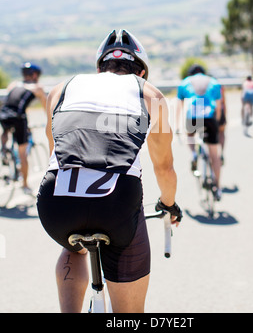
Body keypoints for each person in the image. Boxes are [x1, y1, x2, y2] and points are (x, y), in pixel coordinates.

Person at [37, 29, 182, 313]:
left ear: (99, 68)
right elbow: (164, 166)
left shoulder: (61, 88)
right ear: (140, 73)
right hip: (116, 202)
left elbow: (55, 150)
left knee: (73, 246)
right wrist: (168, 204)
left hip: (55, 202)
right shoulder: (150, 93)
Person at [176, 64, 222, 201]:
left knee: (189, 136)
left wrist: (178, 126)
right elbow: (219, 106)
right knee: (215, 155)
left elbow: (180, 106)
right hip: (209, 118)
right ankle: (218, 187)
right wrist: (217, 122)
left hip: (193, 117)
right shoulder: (213, 82)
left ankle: (194, 154)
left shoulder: (184, 82)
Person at [0, 62, 47, 193]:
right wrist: (50, 120)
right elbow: (46, 106)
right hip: (19, 118)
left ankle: (4, 149)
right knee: (22, 152)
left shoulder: (13, 84)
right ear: (35, 75)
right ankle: (25, 185)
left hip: (3, 114)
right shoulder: (37, 87)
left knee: (6, 130)